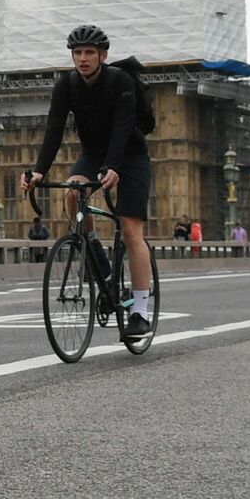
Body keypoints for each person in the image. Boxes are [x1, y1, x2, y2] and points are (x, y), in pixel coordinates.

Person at [21, 25, 156, 341]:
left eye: (89, 53)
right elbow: (54, 128)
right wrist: (39, 171)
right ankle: (94, 252)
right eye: (77, 53)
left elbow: (124, 128)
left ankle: (139, 310)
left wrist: (113, 167)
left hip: (131, 155)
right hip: (94, 155)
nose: (82, 58)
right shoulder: (66, 85)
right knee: (72, 191)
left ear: (102, 56)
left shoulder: (119, 81)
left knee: (131, 228)